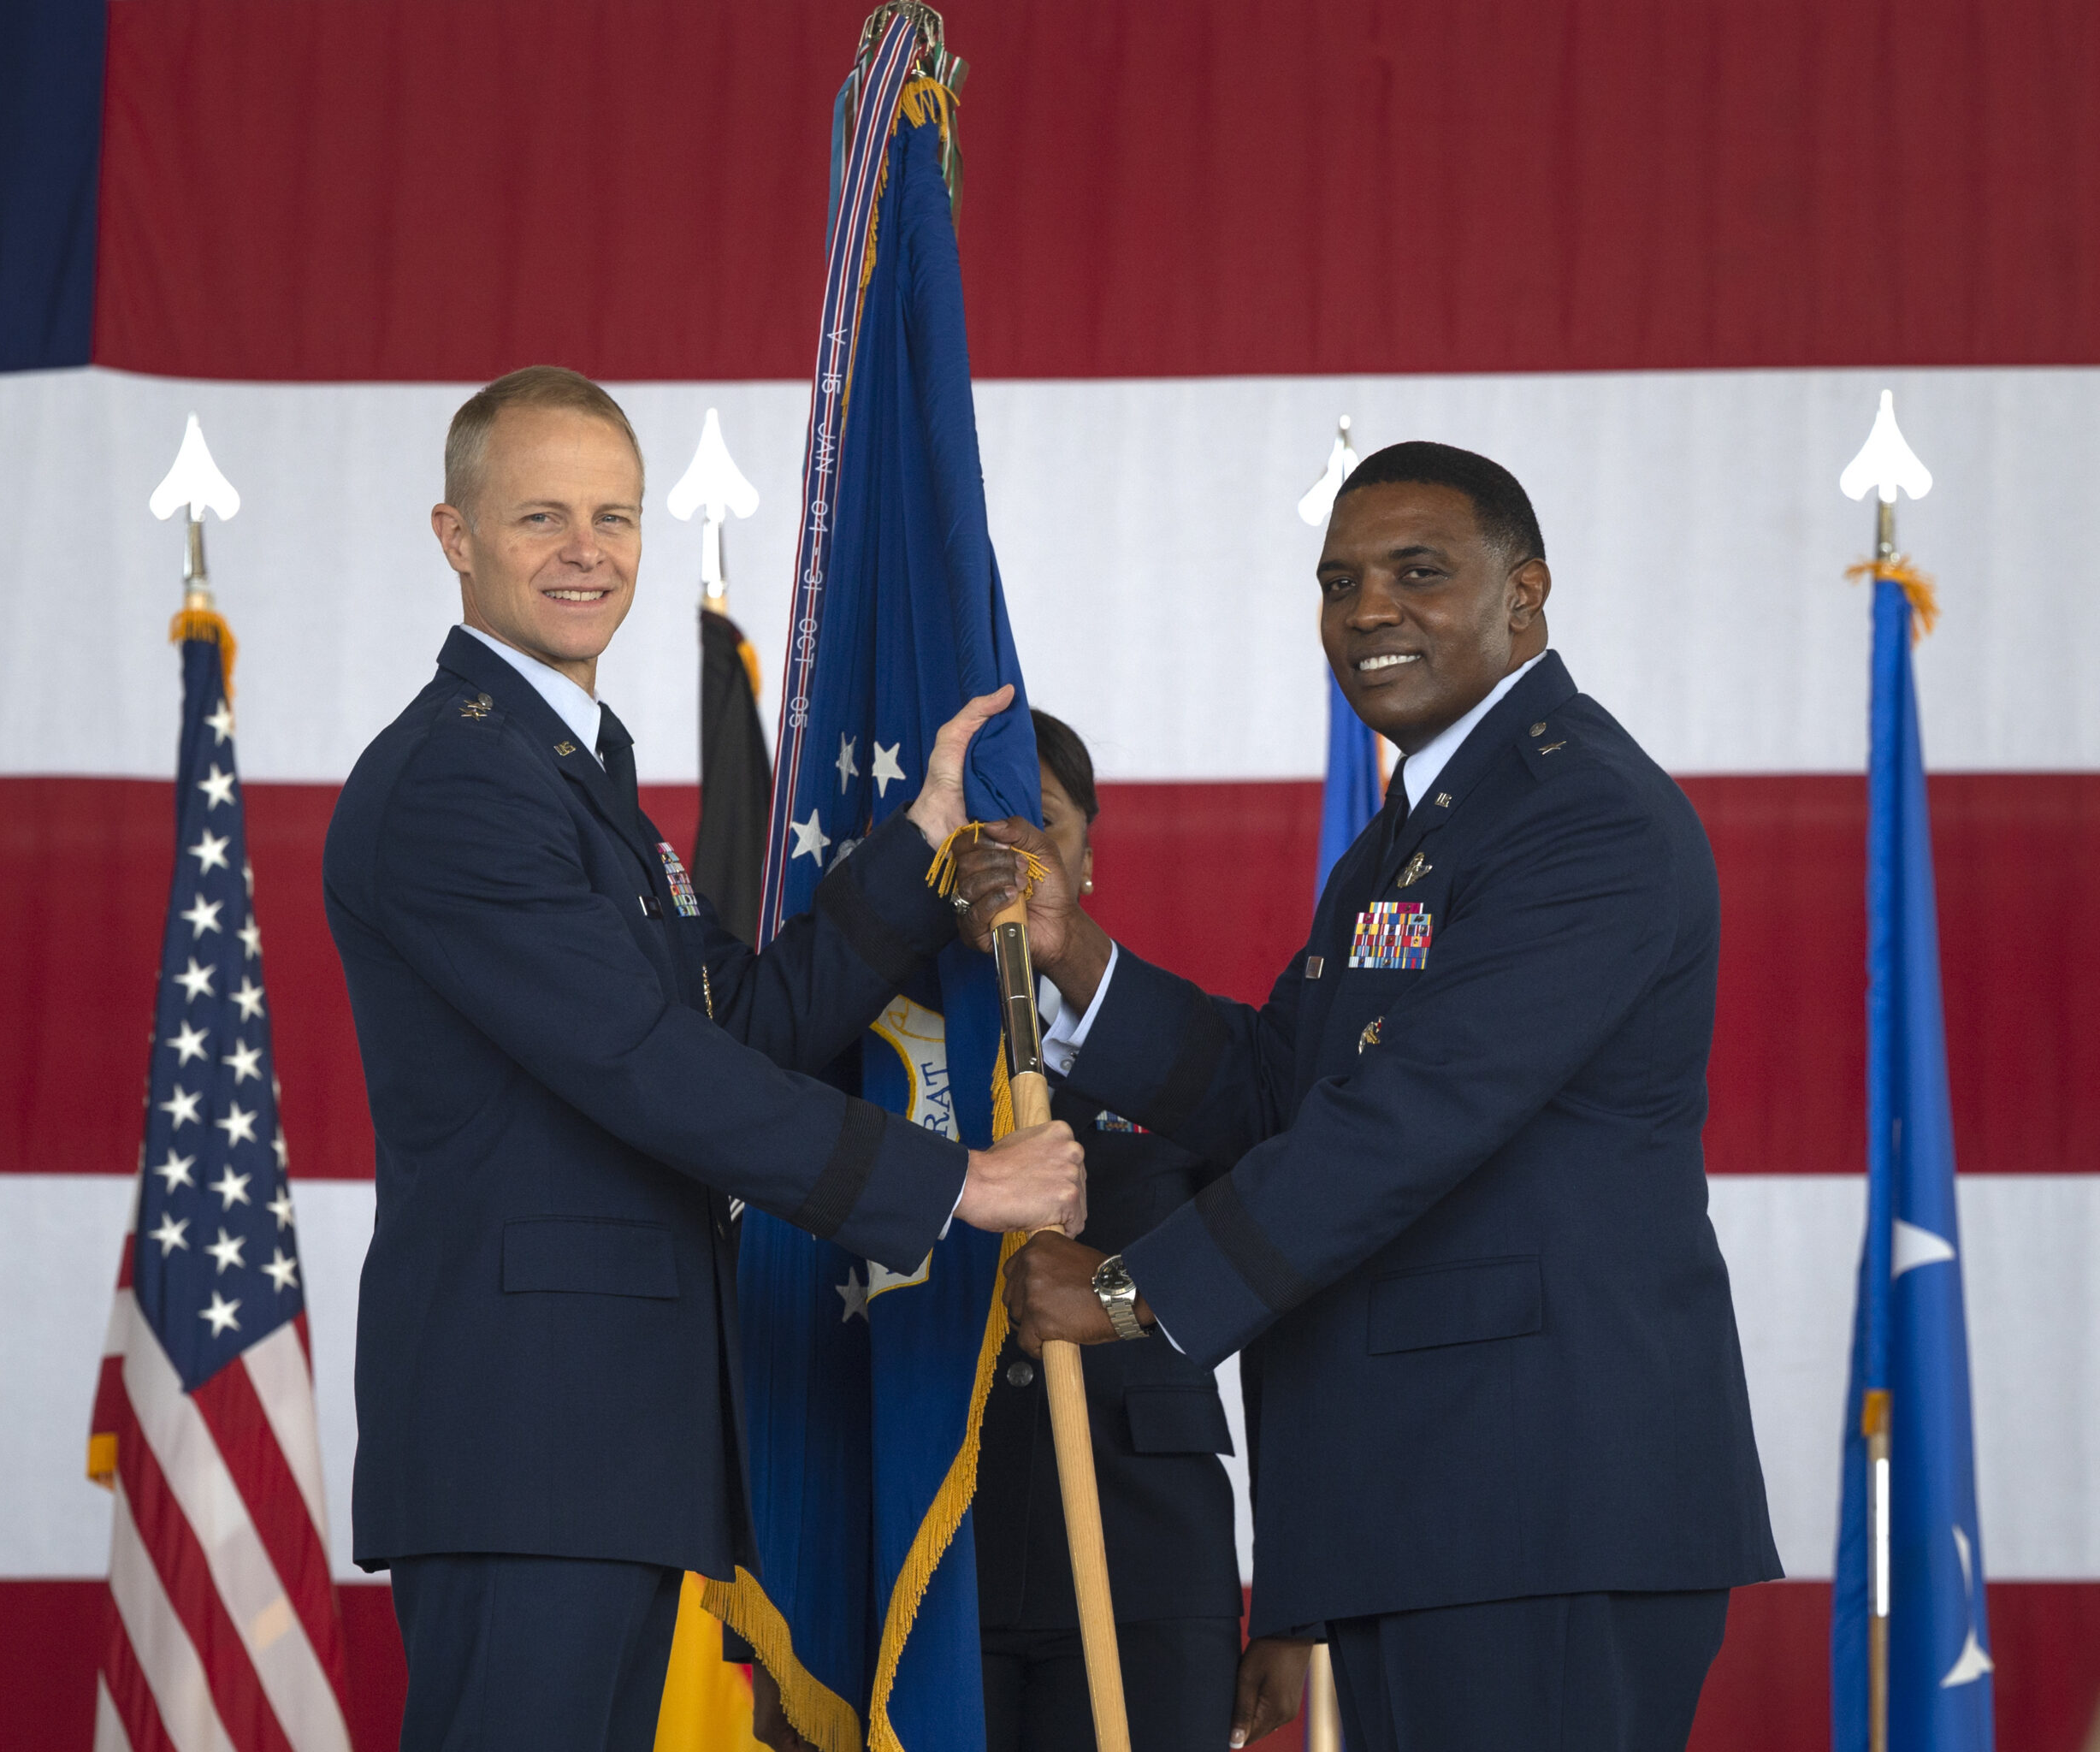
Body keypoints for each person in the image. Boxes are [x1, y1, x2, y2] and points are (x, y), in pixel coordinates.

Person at [958, 442, 1781, 1752]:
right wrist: (1072, 952)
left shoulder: (1582, 818)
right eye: (1339, 583)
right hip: (1431, 1505)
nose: (1368, 611)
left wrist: (1127, 1293)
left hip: (1542, 1505)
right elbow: (1282, 1087)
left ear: (1525, 596)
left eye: (1419, 573)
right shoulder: (1417, 834)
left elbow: (1407, 1124)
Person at [322, 365, 1085, 1751]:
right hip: (527, 1434)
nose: (586, 551)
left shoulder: (566, 770)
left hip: (599, 1436)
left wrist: (918, 841)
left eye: (612, 516)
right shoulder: (459, 778)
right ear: (455, 535)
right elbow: (639, 1060)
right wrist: (956, 1182)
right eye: (541, 516)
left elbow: (733, 1022)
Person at [973, 710, 1302, 1752]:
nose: (1010, 847)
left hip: (1148, 1558)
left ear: (1087, 855)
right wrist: (777, 1635)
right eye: (978, 823)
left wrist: (1292, 1600)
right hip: (928, 1559)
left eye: (1042, 820)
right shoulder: (875, 1065)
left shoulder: (1186, 1059)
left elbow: (1286, 1310)